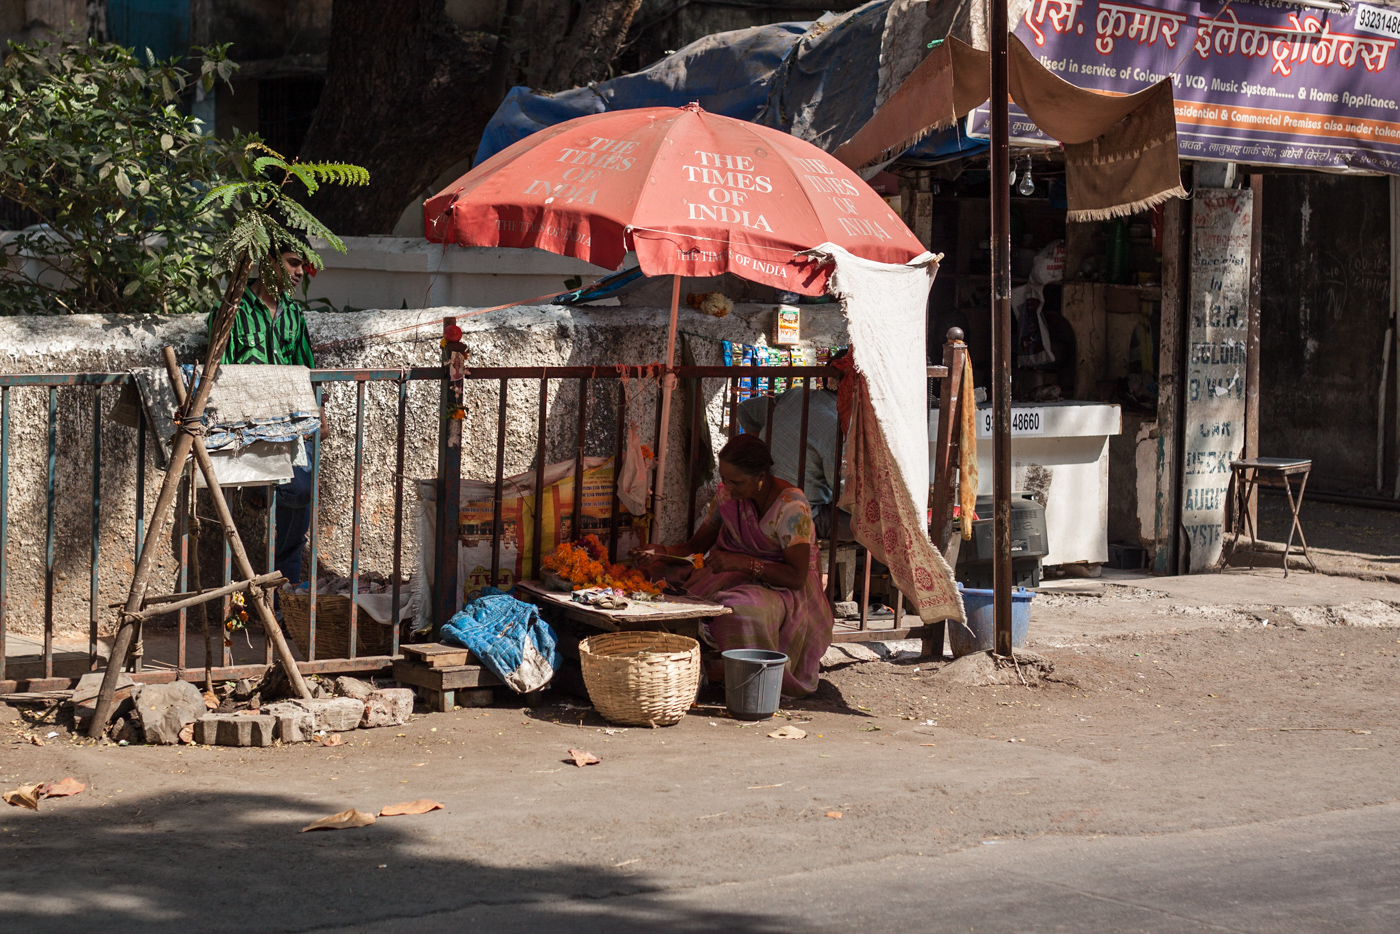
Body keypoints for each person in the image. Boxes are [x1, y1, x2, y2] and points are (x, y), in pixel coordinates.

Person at [637, 434, 834, 697]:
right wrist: (662, 552)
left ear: (761, 476)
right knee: (653, 580)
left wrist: (745, 564)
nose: (728, 488)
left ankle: (752, 675)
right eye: (724, 479)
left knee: (739, 610)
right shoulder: (727, 497)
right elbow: (696, 547)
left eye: (736, 482)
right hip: (730, 574)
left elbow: (796, 577)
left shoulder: (791, 507)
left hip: (783, 588)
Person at [206, 248, 316, 589]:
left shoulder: (294, 315)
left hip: (289, 422)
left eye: (303, 266)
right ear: (269, 261)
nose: (300, 272)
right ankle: (236, 593)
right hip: (245, 428)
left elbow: (305, 368)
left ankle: (285, 586)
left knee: (299, 492)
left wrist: (317, 414)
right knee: (224, 509)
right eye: (293, 263)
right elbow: (215, 367)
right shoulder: (230, 311)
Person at [736, 349, 851, 541]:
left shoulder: (796, 395)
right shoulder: (838, 425)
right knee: (871, 525)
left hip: (758, 500)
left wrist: (760, 455)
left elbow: (745, 410)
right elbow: (844, 495)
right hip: (796, 515)